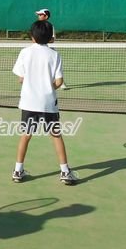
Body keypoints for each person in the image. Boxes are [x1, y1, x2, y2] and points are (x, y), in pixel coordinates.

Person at [11, 20, 78, 186]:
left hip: (28, 103)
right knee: (56, 136)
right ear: (50, 38)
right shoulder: (54, 55)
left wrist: (28, 81)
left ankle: (18, 171)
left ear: (32, 37)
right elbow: (59, 81)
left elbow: (21, 78)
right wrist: (49, 88)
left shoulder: (25, 52)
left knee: (25, 136)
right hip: (48, 103)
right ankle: (64, 171)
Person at [35, 8, 67, 89]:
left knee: (55, 67)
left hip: (50, 51)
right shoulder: (36, 26)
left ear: (46, 16)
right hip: (39, 50)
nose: (39, 16)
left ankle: (61, 82)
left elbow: (52, 39)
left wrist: (43, 39)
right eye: (38, 14)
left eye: (40, 14)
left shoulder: (50, 26)